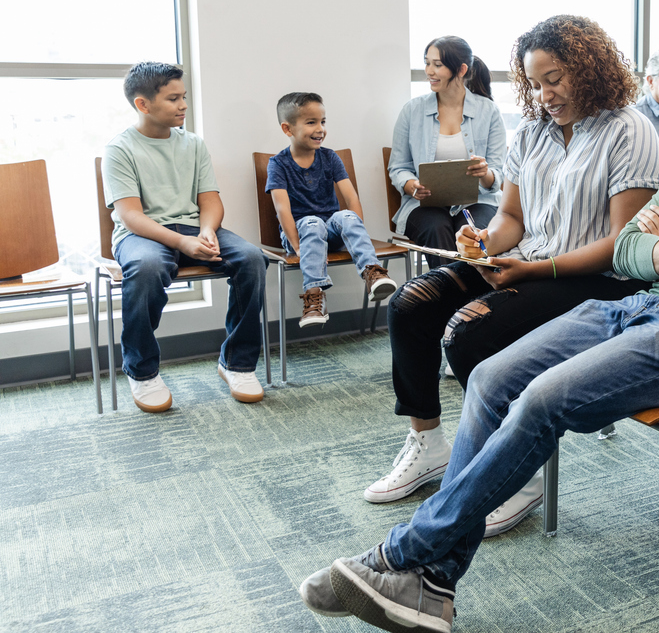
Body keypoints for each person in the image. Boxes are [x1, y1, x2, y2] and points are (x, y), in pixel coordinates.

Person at [298, 13, 659, 632]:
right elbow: (628, 248)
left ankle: (404, 557)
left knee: (541, 398)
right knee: (494, 378)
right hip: (640, 308)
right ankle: (434, 588)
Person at [364, 15, 659, 539]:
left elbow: (624, 243)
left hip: (600, 278)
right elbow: (511, 220)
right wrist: (482, 244)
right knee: (410, 305)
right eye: (535, 83)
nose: (545, 94)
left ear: (589, 69)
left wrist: (532, 268)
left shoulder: (628, 129)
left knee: (470, 332)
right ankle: (430, 446)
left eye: (555, 79)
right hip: (530, 259)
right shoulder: (532, 134)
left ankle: (518, 468)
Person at [101, 62, 268, 412]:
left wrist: (207, 231)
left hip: (193, 227)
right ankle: (142, 370)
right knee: (147, 268)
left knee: (252, 259)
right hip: (141, 234)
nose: (183, 105)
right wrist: (180, 243)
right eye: (173, 98)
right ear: (143, 104)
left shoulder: (192, 144)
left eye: (184, 97)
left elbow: (210, 200)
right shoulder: (119, 149)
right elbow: (131, 215)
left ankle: (236, 363)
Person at [265, 92, 398, 327]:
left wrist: (354, 228)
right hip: (298, 234)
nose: (320, 128)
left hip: (330, 233)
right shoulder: (278, 164)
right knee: (312, 222)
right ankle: (315, 296)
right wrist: (297, 247)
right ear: (288, 129)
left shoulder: (330, 157)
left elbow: (351, 197)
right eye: (311, 122)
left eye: (323, 121)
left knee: (346, 215)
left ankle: (372, 272)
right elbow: (282, 209)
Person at [389, 36, 506, 271]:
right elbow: (398, 166)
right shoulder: (412, 111)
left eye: (438, 65)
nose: (429, 71)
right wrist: (412, 185)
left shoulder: (489, 111)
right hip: (424, 206)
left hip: (478, 201)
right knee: (436, 228)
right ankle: (452, 301)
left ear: (461, 69)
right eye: (427, 63)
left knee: (472, 234)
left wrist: (485, 173)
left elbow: (498, 175)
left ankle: (454, 301)